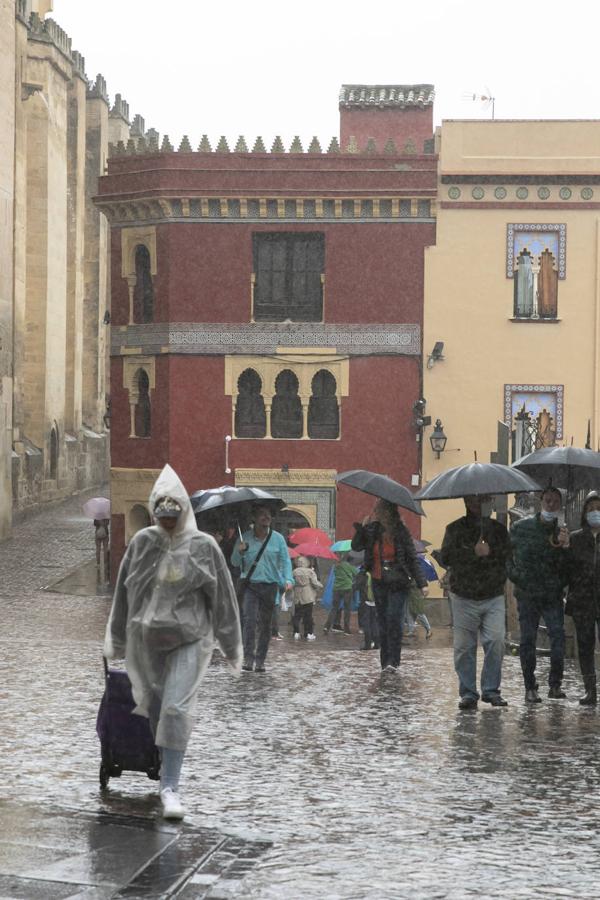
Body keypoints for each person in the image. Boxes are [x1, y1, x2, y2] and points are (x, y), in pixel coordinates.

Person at [103, 464, 242, 820]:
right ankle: (165, 765)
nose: (166, 524)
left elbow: (222, 597)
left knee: (176, 709)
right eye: (161, 518)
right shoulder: (142, 543)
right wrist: (116, 638)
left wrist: (230, 644)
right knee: (155, 708)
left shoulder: (203, 547)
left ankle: (170, 787)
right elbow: (124, 592)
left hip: (190, 640)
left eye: (172, 519)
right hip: (149, 641)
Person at [440, 495, 511, 709]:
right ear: (466, 502)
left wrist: (490, 554)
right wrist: (472, 553)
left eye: (482, 500)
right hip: (464, 595)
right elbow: (445, 558)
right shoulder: (454, 529)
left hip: (493, 595)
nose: (478, 505)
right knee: (464, 647)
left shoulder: (498, 530)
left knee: (496, 641)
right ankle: (468, 692)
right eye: (473, 501)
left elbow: (507, 555)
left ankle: (491, 690)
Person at [508, 486, 570, 703]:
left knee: (558, 637)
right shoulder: (521, 527)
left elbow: (568, 567)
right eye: (548, 500)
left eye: (555, 501)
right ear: (540, 501)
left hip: (552, 594)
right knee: (527, 640)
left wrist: (564, 548)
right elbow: (508, 555)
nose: (551, 504)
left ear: (560, 505)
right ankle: (529, 686)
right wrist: (517, 576)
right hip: (527, 593)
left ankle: (555, 684)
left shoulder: (562, 532)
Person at [352, 499, 427, 673]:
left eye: (380, 511)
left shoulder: (401, 532)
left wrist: (422, 583)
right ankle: (385, 661)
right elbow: (357, 546)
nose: (377, 513)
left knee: (394, 618)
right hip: (379, 580)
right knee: (383, 621)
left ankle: (394, 659)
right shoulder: (373, 529)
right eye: (377, 511)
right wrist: (362, 529)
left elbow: (412, 558)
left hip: (398, 581)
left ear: (389, 512)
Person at [231, 503, 293, 672]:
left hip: (270, 585)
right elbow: (235, 562)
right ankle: (248, 658)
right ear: (254, 518)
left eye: (268, 515)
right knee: (249, 621)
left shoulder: (278, 538)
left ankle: (260, 660)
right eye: (262, 514)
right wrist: (240, 551)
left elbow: (286, 560)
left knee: (266, 625)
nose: (266, 517)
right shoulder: (245, 538)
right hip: (250, 585)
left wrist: (288, 578)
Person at [564, 491, 600, 704]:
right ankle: (590, 690)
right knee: (585, 645)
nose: (595, 512)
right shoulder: (576, 538)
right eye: (590, 509)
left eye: (598, 508)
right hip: (583, 599)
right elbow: (567, 570)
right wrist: (565, 549)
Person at [323, 552, 356, 634]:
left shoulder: (336, 566)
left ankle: (327, 626)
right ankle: (346, 630)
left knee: (334, 608)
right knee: (347, 609)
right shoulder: (349, 566)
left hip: (336, 589)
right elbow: (356, 573)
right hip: (347, 589)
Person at [291, 555, 322, 640]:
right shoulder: (310, 572)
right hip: (308, 596)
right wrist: (320, 586)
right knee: (308, 616)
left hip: (297, 595)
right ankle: (308, 633)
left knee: (297, 615)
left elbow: (291, 582)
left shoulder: (294, 572)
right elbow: (315, 583)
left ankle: (296, 632)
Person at [354, 566, 379, 650]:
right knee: (374, 622)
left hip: (365, 602)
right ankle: (377, 643)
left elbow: (356, 586)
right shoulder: (377, 572)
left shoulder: (363, 574)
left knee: (366, 623)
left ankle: (367, 644)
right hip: (376, 602)